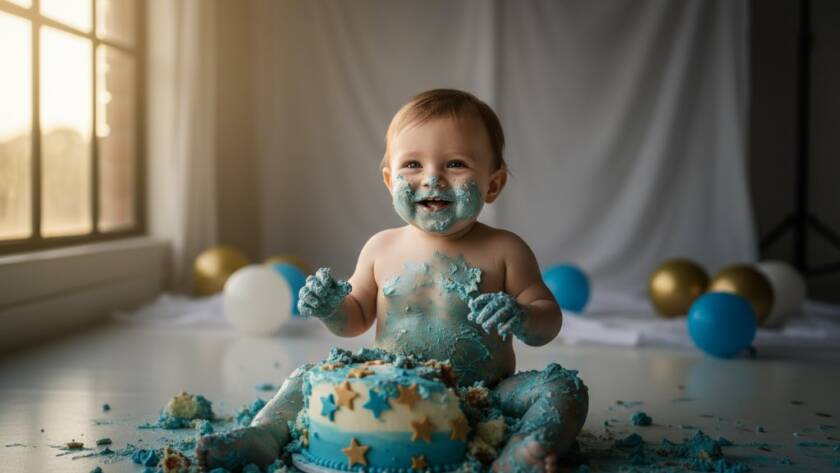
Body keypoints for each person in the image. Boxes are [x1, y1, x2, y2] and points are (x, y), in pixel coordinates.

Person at [197, 89, 588, 472]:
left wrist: (522, 316)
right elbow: (356, 319)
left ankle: (522, 451)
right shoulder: (380, 248)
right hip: (387, 387)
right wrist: (332, 307)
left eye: (455, 164)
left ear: (493, 184)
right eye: (413, 165)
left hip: (485, 395)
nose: (432, 178)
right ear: (389, 180)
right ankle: (263, 435)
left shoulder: (506, 250)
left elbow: (548, 319)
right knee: (305, 380)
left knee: (563, 389)